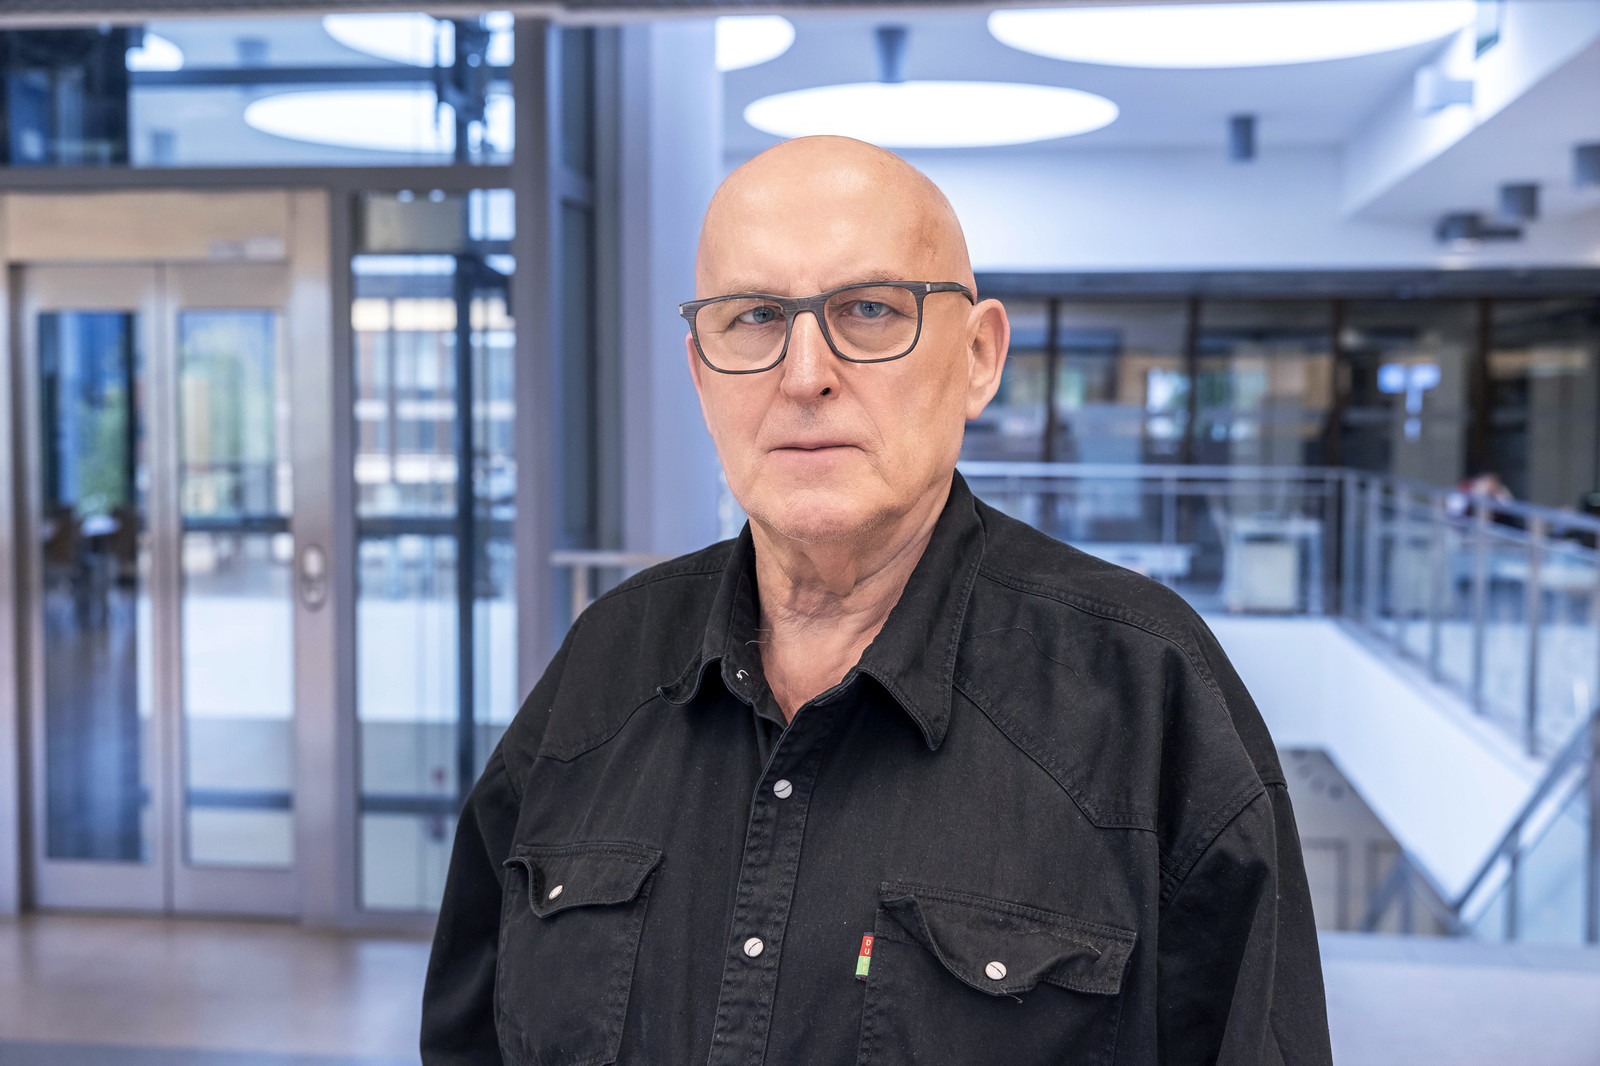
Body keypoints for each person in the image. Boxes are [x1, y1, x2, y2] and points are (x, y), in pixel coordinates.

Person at [421, 135, 1331, 1066]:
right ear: (700, 374)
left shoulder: (1144, 694)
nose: (804, 374)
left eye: (868, 310)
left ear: (979, 357)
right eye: (754, 317)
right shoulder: (604, 663)